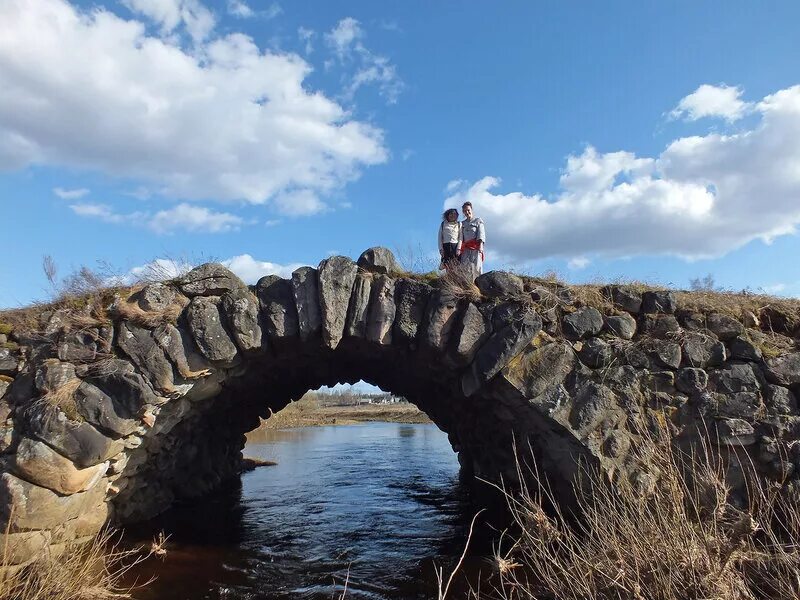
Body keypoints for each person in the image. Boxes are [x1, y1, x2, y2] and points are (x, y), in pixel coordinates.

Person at [459, 201, 485, 280]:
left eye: (468, 210)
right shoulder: (462, 223)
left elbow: (481, 233)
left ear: (471, 209)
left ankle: (478, 286)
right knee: (465, 267)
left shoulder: (478, 221)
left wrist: (481, 246)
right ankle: (467, 286)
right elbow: (460, 236)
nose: (467, 212)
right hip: (465, 248)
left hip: (475, 247)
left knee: (477, 266)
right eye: (465, 211)